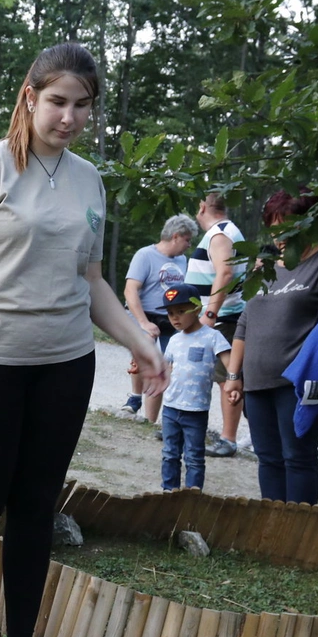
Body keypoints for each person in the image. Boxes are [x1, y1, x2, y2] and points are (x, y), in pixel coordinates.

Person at [0, 44, 167, 637]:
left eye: (82, 105)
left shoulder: (89, 181)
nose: (69, 116)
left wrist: (141, 344)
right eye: (57, 101)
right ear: (29, 97)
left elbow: (92, 283)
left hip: (63, 366)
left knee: (36, 506)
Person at [223, 189, 318, 505]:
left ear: (309, 224)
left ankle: (300, 534)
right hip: (257, 381)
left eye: (286, 228)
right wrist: (234, 374)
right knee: (268, 457)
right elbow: (246, 320)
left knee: (297, 457)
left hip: (300, 381)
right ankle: (275, 535)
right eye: (272, 228)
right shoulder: (266, 265)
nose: (278, 237)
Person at [119, 214, 198, 423]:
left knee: (165, 365)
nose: (189, 245)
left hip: (171, 317)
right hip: (144, 314)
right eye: (187, 240)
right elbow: (130, 290)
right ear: (176, 236)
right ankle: (135, 399)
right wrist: (144, 322)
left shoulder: (182, 260)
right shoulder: (145, 255)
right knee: (144, 355)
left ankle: (151, 420)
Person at [185, 192, 247, 457]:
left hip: (223, 319)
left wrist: (209, 314)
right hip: (218, 317)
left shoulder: (220, 233)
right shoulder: (225, 231)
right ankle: (187, 428)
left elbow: (225, 272)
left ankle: (228, 439)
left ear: (202, 207)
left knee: (226, 379)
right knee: (203, 374)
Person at [157, 284, 232, 491]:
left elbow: (230, 362)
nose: (175, 317)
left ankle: (192, 497)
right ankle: (168, 493)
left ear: (197, 308)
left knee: (194, 457)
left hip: (196, 410)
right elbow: (164, 367)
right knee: (170, 454)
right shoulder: (173, 340)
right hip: (171, 407)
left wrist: (234, 381)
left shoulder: (212, 336)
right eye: (171, 313)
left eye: (181, 311)